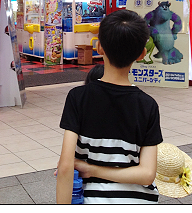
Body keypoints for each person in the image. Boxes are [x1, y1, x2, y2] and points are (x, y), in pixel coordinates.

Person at [56, 10, 162, 204]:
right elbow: (147, 174)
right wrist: (94, 170)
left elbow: (65, 167)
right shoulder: (148, 105)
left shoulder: (78, 97)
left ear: (99, 47)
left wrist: (90, 169)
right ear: (142, 54)